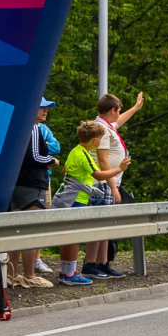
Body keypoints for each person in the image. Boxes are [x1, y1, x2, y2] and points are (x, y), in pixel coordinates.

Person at [58, 121, 131, 286]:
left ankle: (65, 271)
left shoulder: (75, 151)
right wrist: (120, 168)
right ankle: (70, 274)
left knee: (67, 237)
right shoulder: (85, 155)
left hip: (67, 198)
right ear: (96, 140)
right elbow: (99, 175)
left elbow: (64, 171)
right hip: (76, 199)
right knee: (74, 237)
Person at [89, 91, 144, 278]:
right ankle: (91, 264)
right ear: (112, 110)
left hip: (109, 181)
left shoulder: (107, 125)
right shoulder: (101, 129)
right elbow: (103, 160)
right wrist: (113, 187)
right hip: (103, 182)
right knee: (99, 225)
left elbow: (119, 122)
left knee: (106, 226)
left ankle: (102, 262)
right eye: (118, 110)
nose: (119, 114)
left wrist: (136, 108)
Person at [6, 102, 59, 289]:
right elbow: (35, 156)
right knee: (30, 231)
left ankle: (10, 275)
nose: (45, 110)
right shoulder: (33, 127)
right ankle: (29, 275)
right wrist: (52, 160)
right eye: (41, 106)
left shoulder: (15, 125)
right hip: (33, 184)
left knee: (15, 231)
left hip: (15, 183)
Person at [35, 97, 61, 275]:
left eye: (47, 108)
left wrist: (40, 149)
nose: (45, 111)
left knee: (41, 218)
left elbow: (56, 147)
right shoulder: (24, 126)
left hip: (45, 179)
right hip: (28, 180)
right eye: (42, 107)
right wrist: (44, 152)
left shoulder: (44, 129)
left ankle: (36, 258)